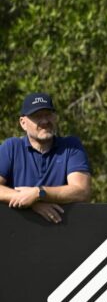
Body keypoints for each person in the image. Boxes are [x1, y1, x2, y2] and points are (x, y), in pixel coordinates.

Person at [0, 93, 92, 224]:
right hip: (16, 234)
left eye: (48, 114)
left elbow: (82, 191)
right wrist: (31, 202)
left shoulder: (71, 146)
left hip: (61, 232)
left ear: (55, 117)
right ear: (23, 123)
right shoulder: (11, 147)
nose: (44, 121)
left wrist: (39, 193)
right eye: (37, 116)